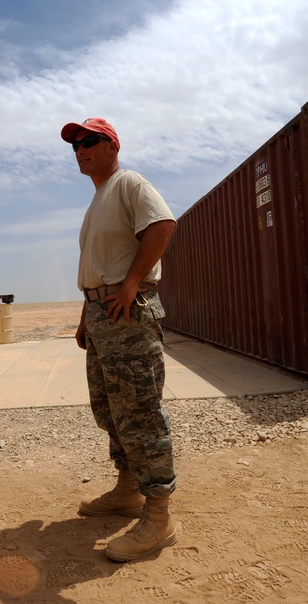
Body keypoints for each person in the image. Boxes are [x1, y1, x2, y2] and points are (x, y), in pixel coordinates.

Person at [61, 117, 179, 561]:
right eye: (75, 145)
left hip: (128, 315)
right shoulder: (98, 201)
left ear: (113, 145)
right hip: (102, 314)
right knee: (110, 408)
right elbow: (99, 263)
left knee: (139, 411)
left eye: (90, 141)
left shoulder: (128, 182)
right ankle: (128, 489)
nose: (80, 149)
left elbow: (163, 225)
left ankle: (160, 516)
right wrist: (85, 316)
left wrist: (132, 282)